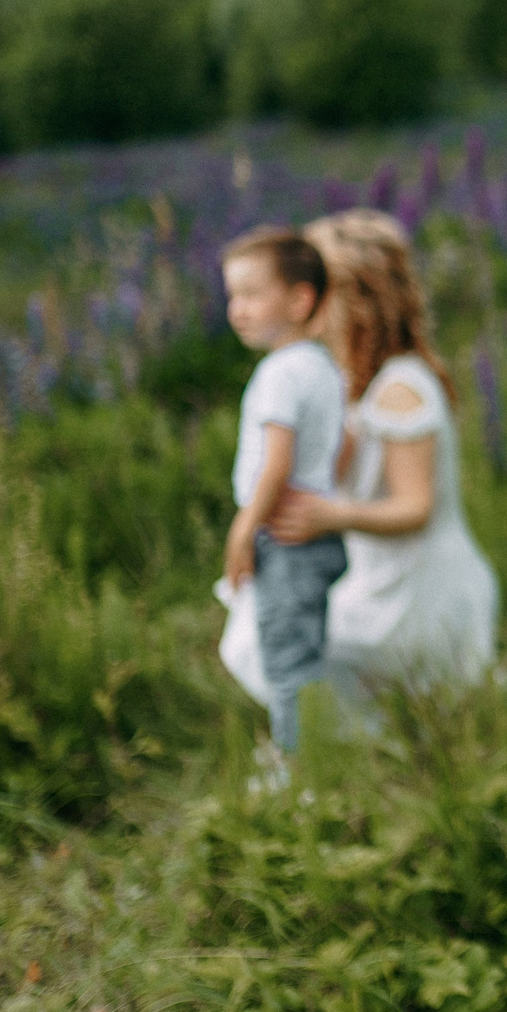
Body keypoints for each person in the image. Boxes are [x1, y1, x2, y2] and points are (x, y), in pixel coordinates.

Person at [228, 210, 498, 729]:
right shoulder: (343, 380)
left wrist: (331, 517)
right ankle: (323, 747)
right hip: (376, 579)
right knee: (269, 626)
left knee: (275, 638)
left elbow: (416, 508)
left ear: (353, 298)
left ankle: (318, 752)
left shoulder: (401, 385)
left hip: (419, 592)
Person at [219, 225, 347, 761]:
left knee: (287, 660)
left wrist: (244, 527)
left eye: (252, 294)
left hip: (284, 540)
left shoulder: (279, 373)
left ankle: (301, 770)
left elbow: (277, 464)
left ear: (299, 300)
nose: (237, 309)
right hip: (315, 538)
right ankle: (312, 753)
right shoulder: (321, 366)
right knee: (303, 651)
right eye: (232, 296)